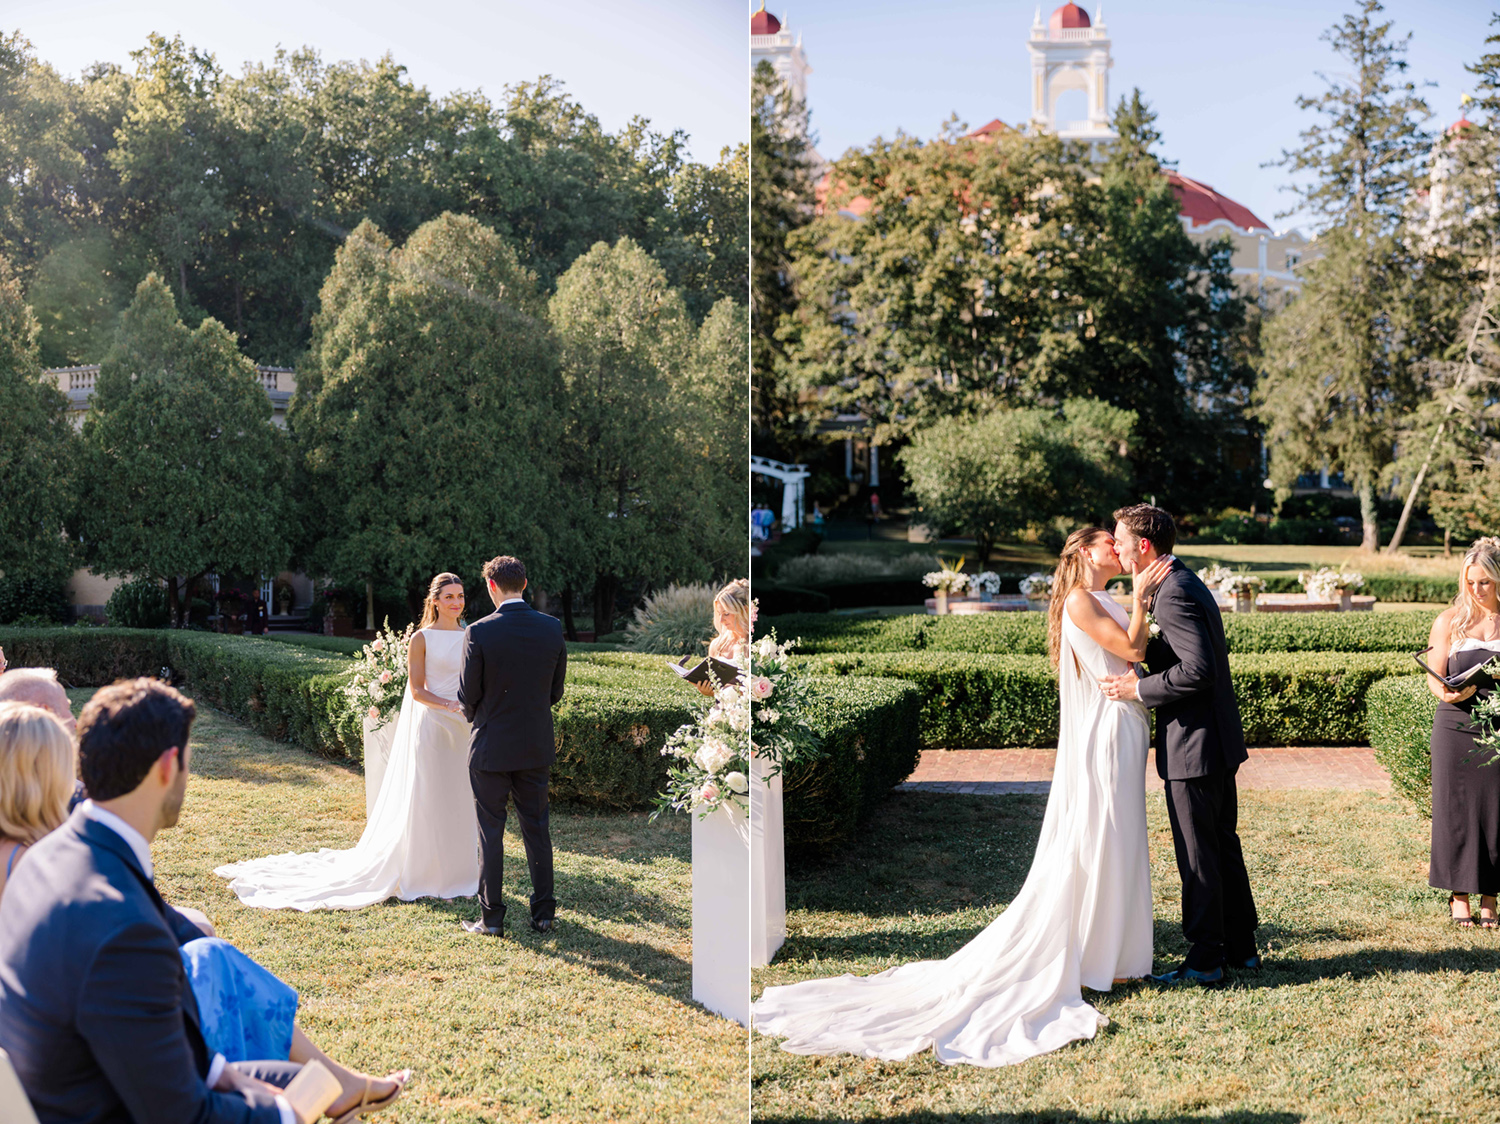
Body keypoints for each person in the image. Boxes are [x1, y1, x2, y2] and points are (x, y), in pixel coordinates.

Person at [751, 528, 1171, 1067]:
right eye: (1106, 542)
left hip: (1125, 721)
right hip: (1108, 730)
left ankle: (1111, 952)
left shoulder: (1101, 597)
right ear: (1081, 554)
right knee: (1104, 833)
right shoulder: (1079, 600)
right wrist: (1141, 597)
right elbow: (1133, 649)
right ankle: (1100, 956)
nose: (1118, 546)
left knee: (1119, 836)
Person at [0, 696, 407, 1122]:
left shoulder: (57, 854)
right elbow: (181, 1112)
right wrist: (285, 1115)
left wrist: (226, 1076)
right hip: (110, 1105)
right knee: (302, 1093)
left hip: (88, 1083)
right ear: (166, 767)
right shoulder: (125, 930)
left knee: (302, 1078)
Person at [216, 572, 479, 909]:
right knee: (428, 795)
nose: (456, 602)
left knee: (458, 795)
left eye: (460, 596)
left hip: (460, 728)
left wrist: (468, 707)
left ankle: (459, 870)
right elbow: (416, 690)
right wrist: (449, 705)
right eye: (449, 597)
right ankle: (424, 870)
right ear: (435, 601)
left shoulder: (471, 634)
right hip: (433, 725)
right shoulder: (422, 638)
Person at [1100, 504, 1260, 985]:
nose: (1116, 546)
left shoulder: (1173, 592)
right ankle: (1242, 947)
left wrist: (1138, 690)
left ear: (1143, 545)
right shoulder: (1178, 582)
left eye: (1120, 539)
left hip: (1194, 743)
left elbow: (1199, 671)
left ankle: (1206, 959)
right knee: (1220, 845)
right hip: (1211, 739)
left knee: (1198, 853)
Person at [457, 555, 568, 937]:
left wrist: (481, 713)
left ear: (492, 587)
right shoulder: (552, 628)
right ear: (524, 583)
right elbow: (555, 692)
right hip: (535, 745)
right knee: (537, 829)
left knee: (490, 832)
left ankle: (491, 919)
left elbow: (467, 695)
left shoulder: (479, 631)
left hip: (489, 746)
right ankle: (544, 915)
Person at [1423, 537, 1500, 928]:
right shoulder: (1449, 620)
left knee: (1496, 811)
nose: (1475, 590)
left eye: (1484, 582)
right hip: (1455, 724)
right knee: (1455, 810)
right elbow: (1434, 677)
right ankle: (1459, 896)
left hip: (1498, 731)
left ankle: (1490, 898)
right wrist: (1447, 691)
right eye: (1469, 582)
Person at [696, 579, 750, 697]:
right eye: (719, 614)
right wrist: (707, 690)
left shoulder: (755, 646)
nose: (721, 620)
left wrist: (725, 688)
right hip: (720, 711)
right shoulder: (717, 645)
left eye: (726, 614)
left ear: (744, 610)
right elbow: (713, 688)